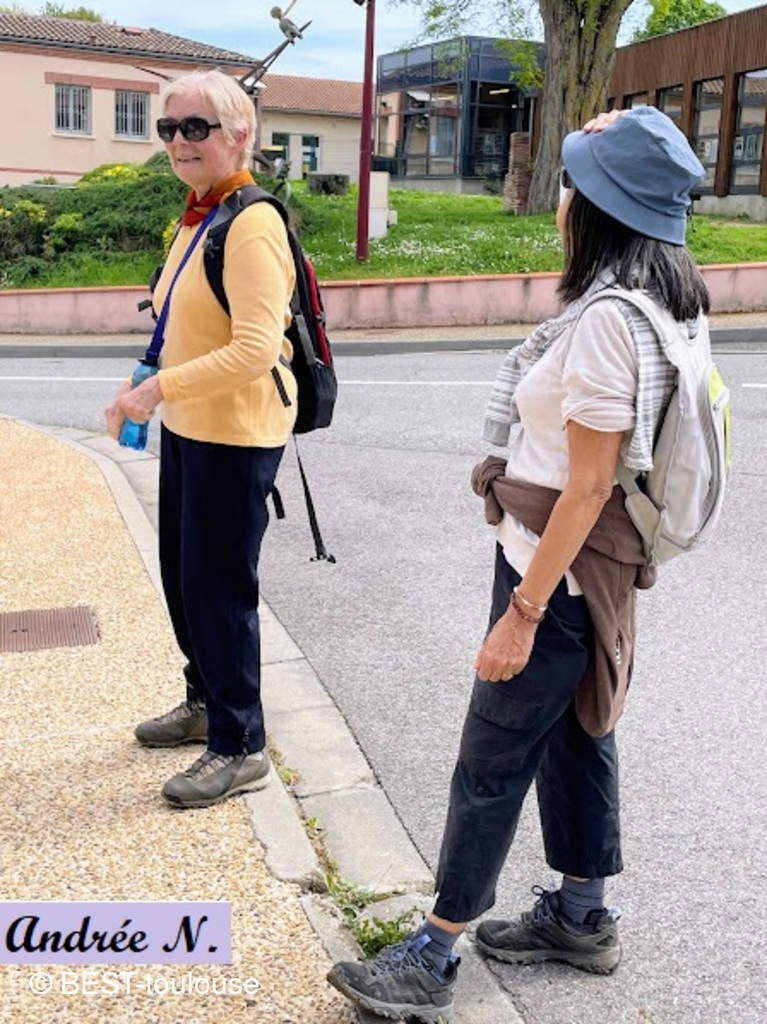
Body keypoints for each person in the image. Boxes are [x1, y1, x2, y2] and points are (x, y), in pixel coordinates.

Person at [327, 106, 709, 1021]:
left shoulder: (609, 322)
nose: (562, 194)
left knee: (491, 757)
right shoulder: (667, 298)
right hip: (593, 569)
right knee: (579, 733)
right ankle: (580, 916)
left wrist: (523, 613)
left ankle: (432, 954)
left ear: (600, 206)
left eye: (574, 180)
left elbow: (586, 486)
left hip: (558, 571)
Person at [105, 69, 297, 809]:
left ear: (239, 135)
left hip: (236, 434)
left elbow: (255, 348)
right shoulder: (200, 216)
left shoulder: (251, 224)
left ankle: (240, 743)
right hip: (194, 426)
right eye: (168, 128)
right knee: (186, 580)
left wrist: (156, 390)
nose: (178, 142)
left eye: (196, 127)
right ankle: (204, 702)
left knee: (219, 590)